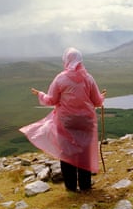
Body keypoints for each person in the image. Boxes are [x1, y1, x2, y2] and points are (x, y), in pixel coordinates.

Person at [19, 47, 106, 192]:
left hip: (66, 121)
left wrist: (40, 94)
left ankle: (71, 187)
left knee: (67, 152)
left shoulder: (60, 78)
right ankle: (85, 186)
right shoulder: (88, 78)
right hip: (86, 121)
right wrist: (102, 95)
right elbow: (97, 101)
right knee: (84, 152)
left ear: (66, 60)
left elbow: (51, 100)